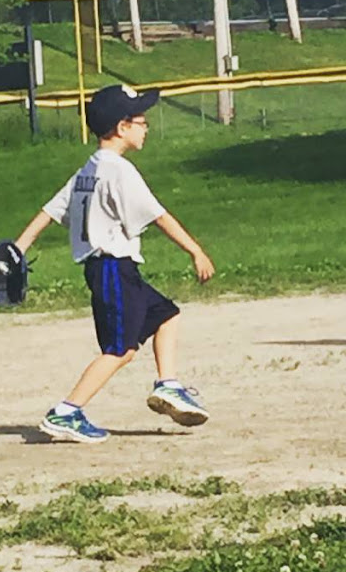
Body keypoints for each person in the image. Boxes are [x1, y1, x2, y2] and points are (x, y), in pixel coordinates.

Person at [14, 84, 216, 443]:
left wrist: (19, 248)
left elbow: (50, 211)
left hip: (112, 270)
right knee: (120, 350)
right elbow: (159, 216)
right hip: (112, 269)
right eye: (141, 121)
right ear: (122, 127)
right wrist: (195, 250)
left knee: (166, 315)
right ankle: (66, 412)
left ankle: (168, 385)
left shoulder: (88, 169)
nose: (146, 127)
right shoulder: (118, 170)